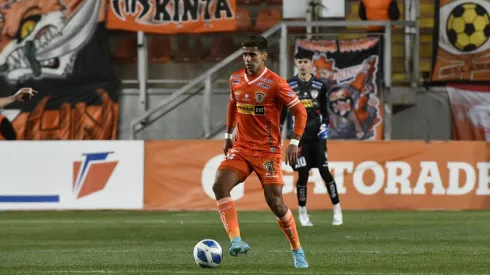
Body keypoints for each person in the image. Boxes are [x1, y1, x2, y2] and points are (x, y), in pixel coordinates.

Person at [212, 35, 309, 268]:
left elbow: (300, 112)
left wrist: (294, 142)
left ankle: (297, 250)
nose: (248, 59)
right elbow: (233, 105)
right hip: (242, 148)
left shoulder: (276, 83)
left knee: (275, 203)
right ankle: (236, 241)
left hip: (268, 151)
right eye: (245, 54)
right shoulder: (235, 79)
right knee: (219, 185)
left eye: (252, 54)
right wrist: (228, 136)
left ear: (264, 56)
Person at [280, 49, 343, 226]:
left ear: (311, 64)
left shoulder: (320, 85)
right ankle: (302, 213)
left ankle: (337, 210)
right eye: (299, 61)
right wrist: (280, 130)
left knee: (324, 172)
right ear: (295, 64)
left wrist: (326, 125)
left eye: (306, 61)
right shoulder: (288, 85)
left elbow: (325, 111)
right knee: (303, 175)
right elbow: (283, 112)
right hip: (298, 138)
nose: (303, 65)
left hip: (317, 137)